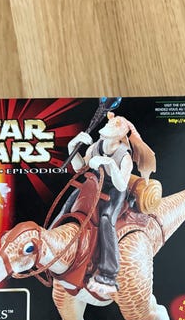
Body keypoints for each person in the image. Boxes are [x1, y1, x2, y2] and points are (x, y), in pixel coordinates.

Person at [66, 112, 155, 292]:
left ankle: (108, 273)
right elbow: (80, 168)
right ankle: (51, 244)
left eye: (117, 124)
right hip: (95, 183)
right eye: (113, 121)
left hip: (115, 189)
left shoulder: (124, 156)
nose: (112, 123)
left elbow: (121, 184)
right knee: (70, 202)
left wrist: (109, 163)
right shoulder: (96, 146)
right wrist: (72, 146)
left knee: (106, 218)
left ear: (122, 134)